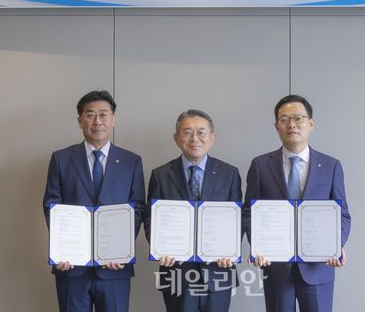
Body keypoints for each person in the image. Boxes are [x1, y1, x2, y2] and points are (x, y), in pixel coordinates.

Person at [243, 94, 351, 312]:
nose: (291, 124)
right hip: (275, 267)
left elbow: (342, 214)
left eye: (298, 118)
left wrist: (335, 244)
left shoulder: (331, 166)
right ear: (276, 126)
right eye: (284, 119)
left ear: (311, 123)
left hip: (318, 267)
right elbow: (249, 212)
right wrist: (258, 246)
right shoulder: (261, 165)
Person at [43, 90, 146, 312]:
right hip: (71, 267)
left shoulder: (131, 161)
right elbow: (52, 205)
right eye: (90, 115)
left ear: (113, 119)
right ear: (80, 120)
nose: (97, 121)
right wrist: (62, 250)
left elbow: (137, 208)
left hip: (115, 267)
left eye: (103, 114)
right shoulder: (61, 159)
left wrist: (122, 249)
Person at [145, 109, 243, 312]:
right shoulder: (161, 175)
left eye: (201, 132)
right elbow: (150, 219)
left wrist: (230, 250)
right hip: (176, 272)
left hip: (218, 270)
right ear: (176, 138)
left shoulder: (229, 174)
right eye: (187, 132)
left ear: (212, 138)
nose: (194, 138)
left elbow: (237, 218)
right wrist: (160, 248)